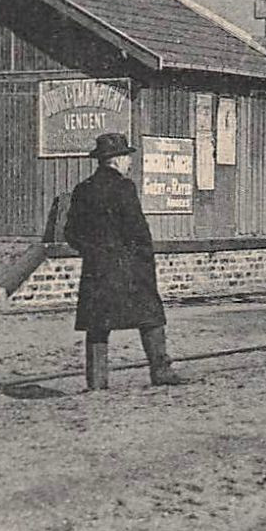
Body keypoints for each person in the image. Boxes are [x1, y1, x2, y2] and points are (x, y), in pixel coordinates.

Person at [63, 132, 187, 390]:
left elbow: (71, 232)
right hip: (128, 266)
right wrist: (144, 258)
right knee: (151, 315)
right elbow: (137, 229)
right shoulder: (124, 187)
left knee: (97, 323)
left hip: (97, 268)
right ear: (117, 160)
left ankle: (97, 382)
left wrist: (91, 251)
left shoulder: (83, 189)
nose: (129, 163)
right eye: (126, 157)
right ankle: (161, 370)